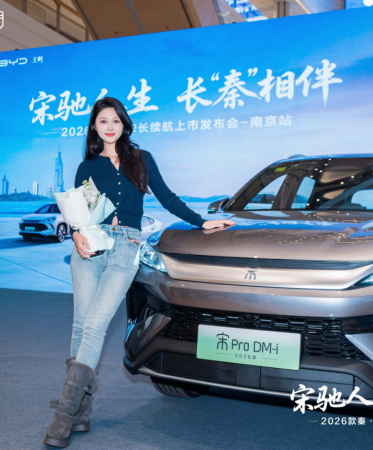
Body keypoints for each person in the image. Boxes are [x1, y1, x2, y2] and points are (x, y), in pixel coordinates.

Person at [44, 97, 235, 447]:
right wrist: (75, 235)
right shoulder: (87, 166)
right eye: (103, 121)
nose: (110, 127)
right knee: (81, 325)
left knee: (96, 325)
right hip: (89, 246)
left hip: (126, 246)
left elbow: (167, 197)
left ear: (124, 124)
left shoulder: (141, 159)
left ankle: (64, 415)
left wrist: (202, 221)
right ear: (94, 127)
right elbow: (79, 214)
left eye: (115, 120)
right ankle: (82, 412)